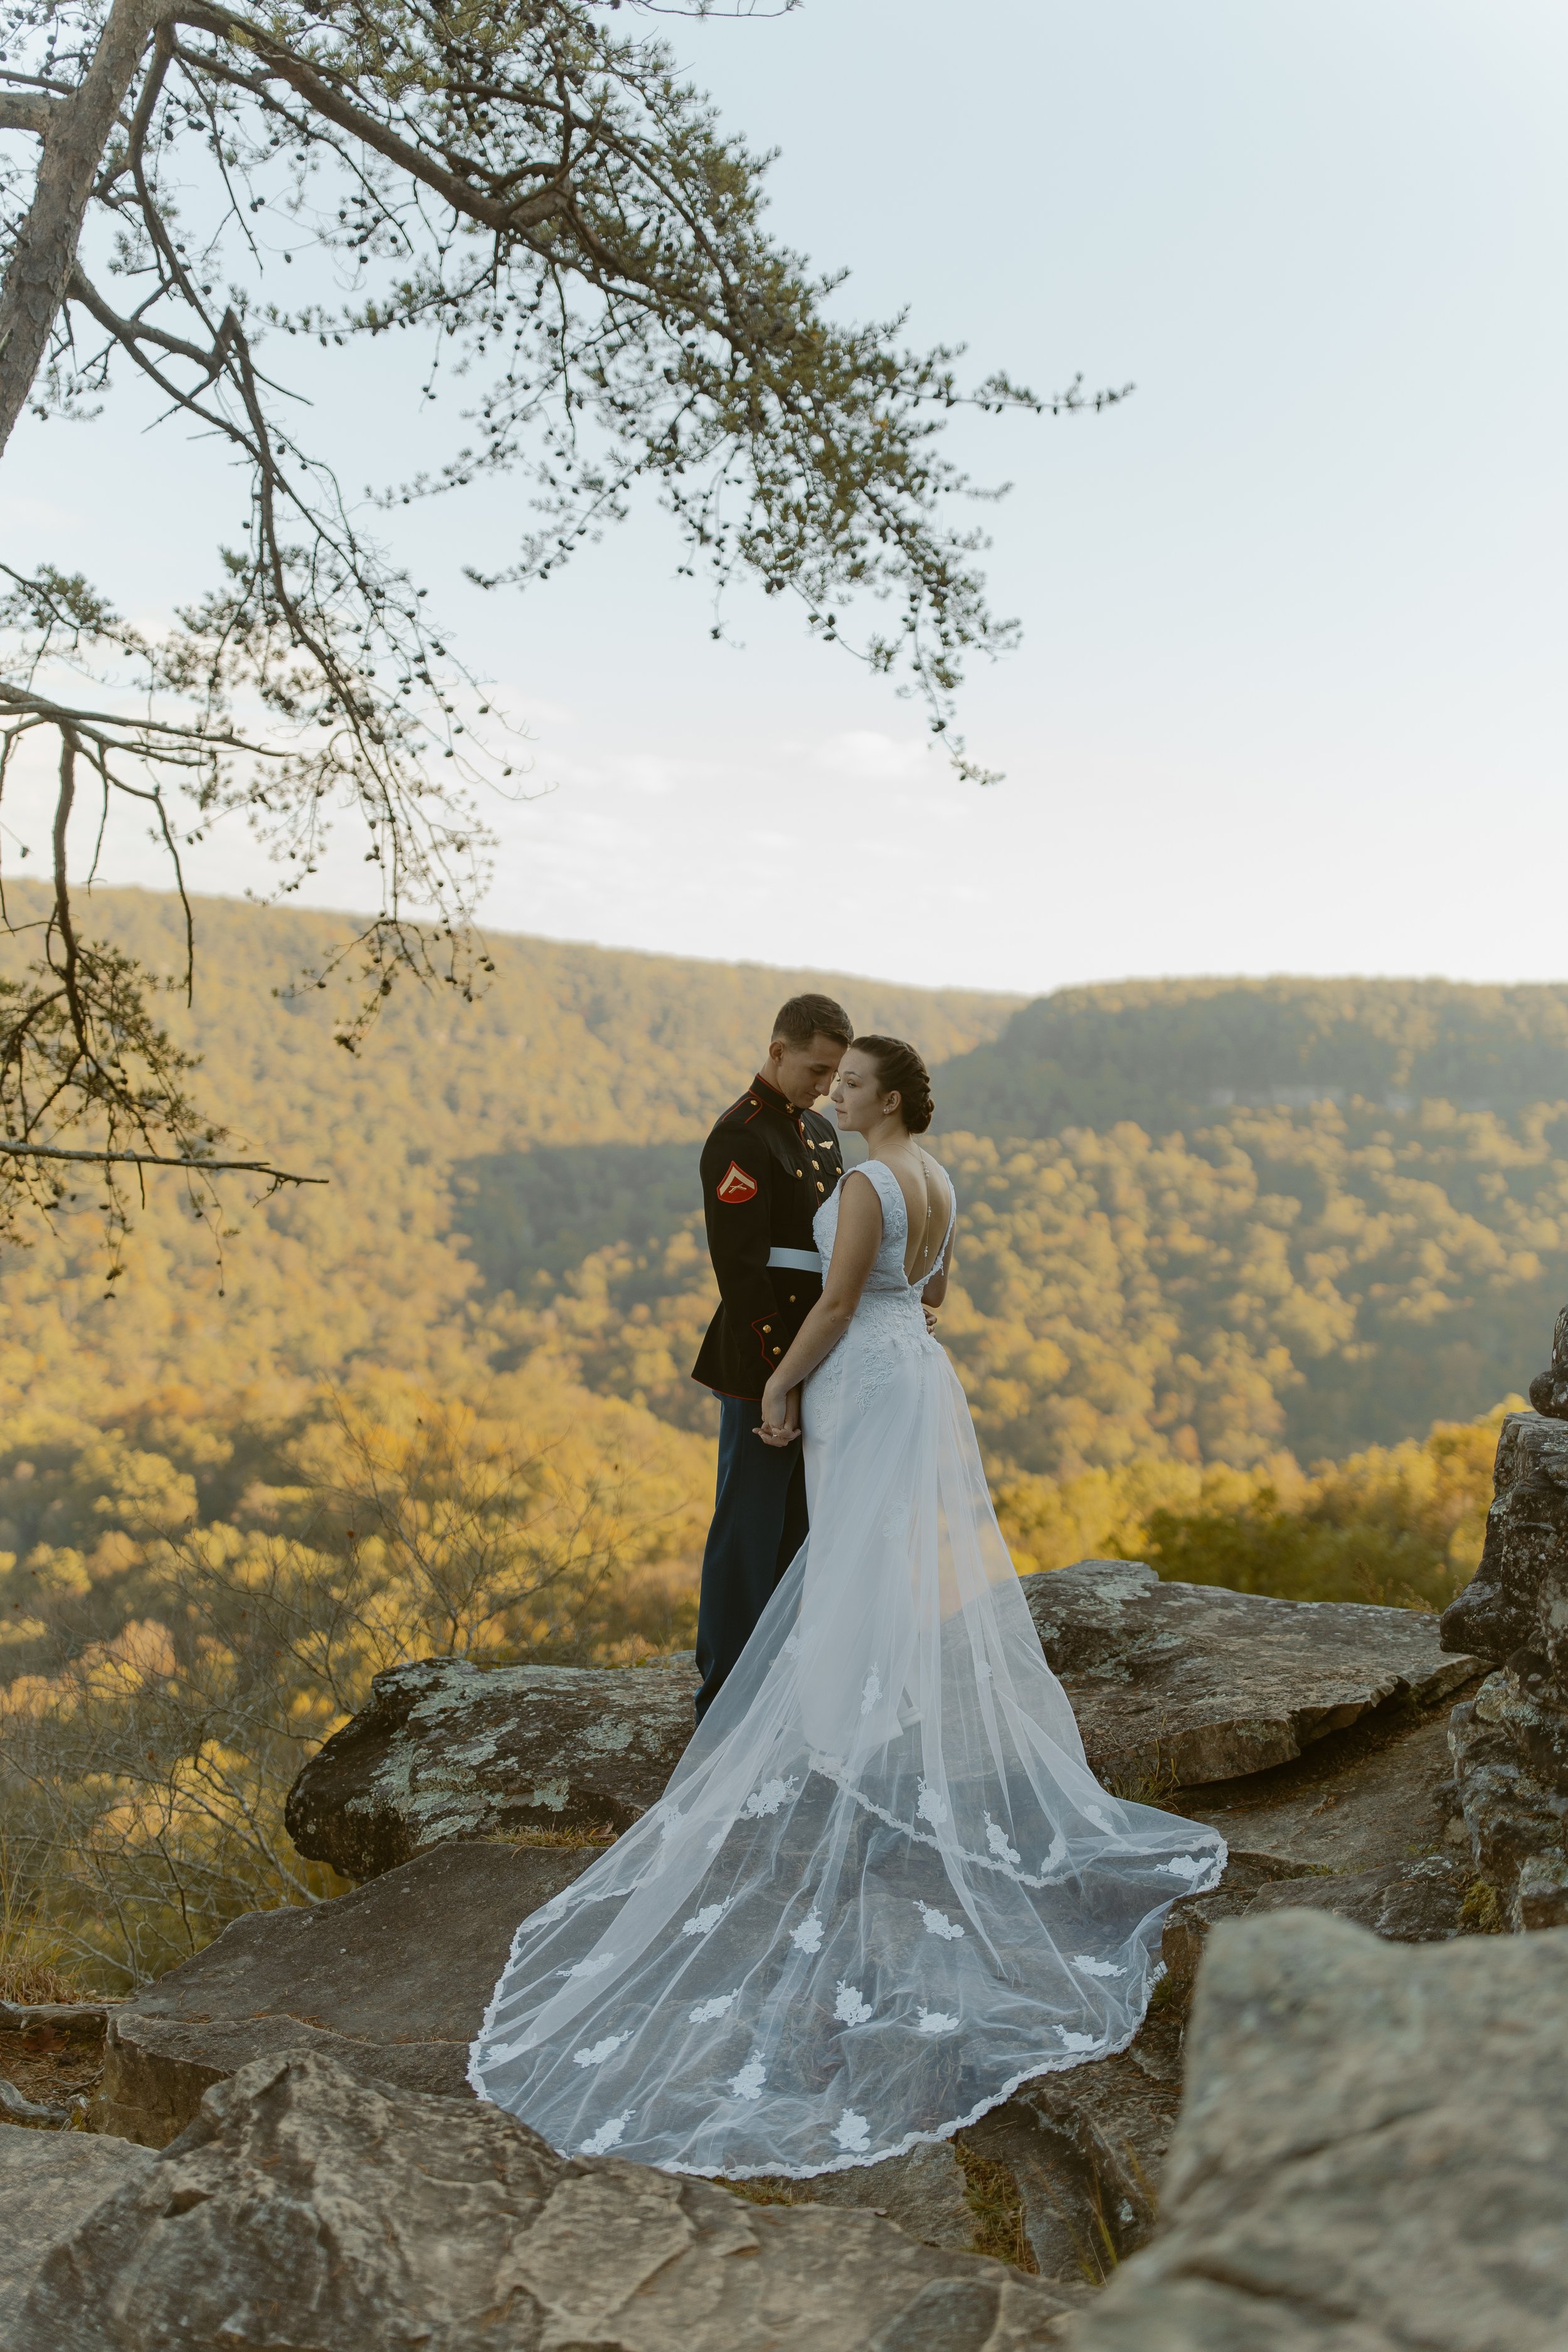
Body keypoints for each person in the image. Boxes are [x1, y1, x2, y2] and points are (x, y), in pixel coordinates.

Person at [469, 1037, 1226, 2180]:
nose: (841, 1094)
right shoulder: (940, 1179)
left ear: (890, 1099)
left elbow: (831, 1305)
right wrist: (878, 1334)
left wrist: (777, 1381)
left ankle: (835, 1724)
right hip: (912, 1370)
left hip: (858, 1378)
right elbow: (934, 1298)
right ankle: (859, 1716)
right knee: (878, 1553)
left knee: (850, 1554)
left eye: (856, 1084)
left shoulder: (870, 1181)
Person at [688, 993, 852, 1723]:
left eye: (835, 1074)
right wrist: (776, 1376)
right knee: (747, 1534)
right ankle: (724, 1696)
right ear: (778, 1051)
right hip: (762, 1360)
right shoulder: (739, 1137)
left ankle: (784, 1684)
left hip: (820, 1352)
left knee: (802, 1533)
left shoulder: (818, 1132)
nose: (824, 1086)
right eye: (816, 1070)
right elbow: (743, 1271)